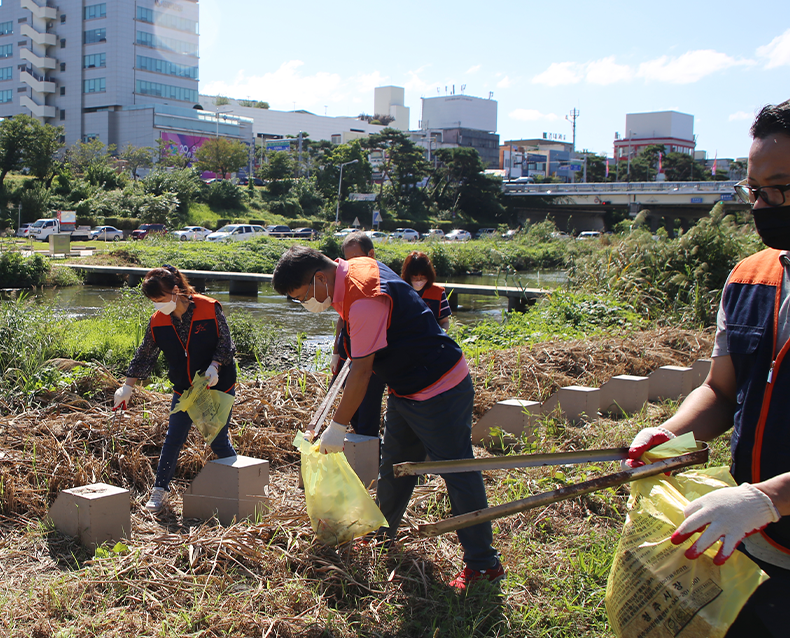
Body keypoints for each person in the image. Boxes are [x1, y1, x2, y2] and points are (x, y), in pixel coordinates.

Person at [626, 100, 790, 637]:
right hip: (751, 541)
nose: (762, 204)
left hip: (754, 510)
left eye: (780, 189)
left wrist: (766, 498)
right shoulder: (750, 277)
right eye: (755, 190)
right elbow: (721, 391)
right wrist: (671, 433)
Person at [272, 245, 503, 590]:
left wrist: (336, 428)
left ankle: (483, 564)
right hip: (407, 387)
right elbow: (358, 354)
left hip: (439, 387)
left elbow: (363, 372)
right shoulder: (352, 269)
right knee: (394, 465)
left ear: (319, 278)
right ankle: (383, 535)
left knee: (456, 471)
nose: (306, 303)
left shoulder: (364, 296)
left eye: (302, 295)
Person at [113, 266, 237, 513]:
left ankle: (240, 484)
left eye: (160, 299)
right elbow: (145, 354)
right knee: (173, 438)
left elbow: (226, 344)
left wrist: (215, 366)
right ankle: (159, 492)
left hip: (215, 385)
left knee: (217, 439)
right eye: (153, 301)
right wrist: (127, 386)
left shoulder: (208, 307)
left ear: (176, 290)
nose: (158, 305)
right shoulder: (158, 320)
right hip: (185, 388)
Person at [330, 231, 387, 438]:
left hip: (371, 357)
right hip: (349, 349)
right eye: (348, 259)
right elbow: (342, 317)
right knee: (339, 391)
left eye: (356, 258)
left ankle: (369, 447)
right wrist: (336, 352)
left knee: (368, 407)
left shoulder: (377, 280)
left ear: (370, 254)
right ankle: (359, 436)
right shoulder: (348, 280)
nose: (352, 264)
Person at [400, 250, 452, 331]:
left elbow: (444, 321)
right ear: (408, 276)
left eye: (423, 277)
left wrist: (442, 333)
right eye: (414, 277)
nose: (418, 281)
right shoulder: (400, 292)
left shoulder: (438, 292)